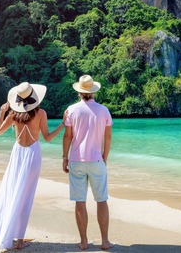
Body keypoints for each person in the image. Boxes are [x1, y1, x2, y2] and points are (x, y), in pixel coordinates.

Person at [0, 82, 66, 250]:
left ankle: (8, 233)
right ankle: (19, 241)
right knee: (26, 197)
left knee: (11, 191)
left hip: (17, 155)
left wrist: (2, 113)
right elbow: (47, 137)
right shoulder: (41, 113)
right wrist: (62, 124)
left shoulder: (13, 114)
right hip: (32, 155)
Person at [62, 75, 114, 250]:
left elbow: (67, 136)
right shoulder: (104, 110)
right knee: (101, 200)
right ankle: (105, 242)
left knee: (80, 201)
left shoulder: (71, 110)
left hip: (77, 160)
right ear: (93, 92)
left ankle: (84, 242)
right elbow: (107, 138)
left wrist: (65, 158)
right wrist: (104, 158)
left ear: (79, 92)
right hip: (96, 160)